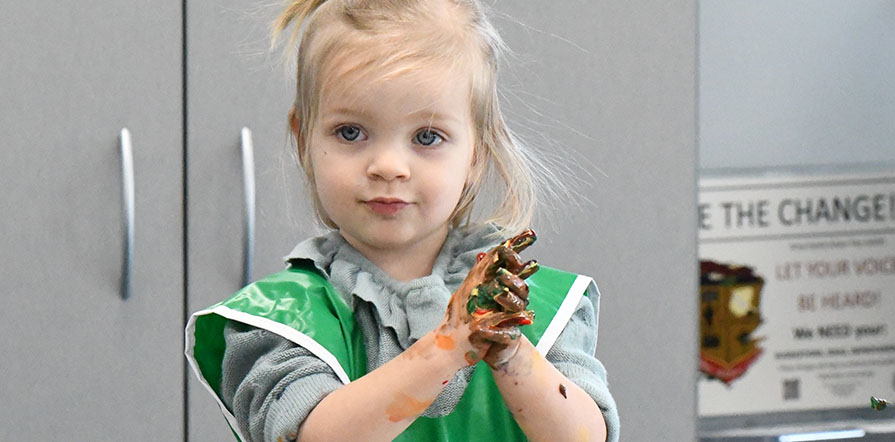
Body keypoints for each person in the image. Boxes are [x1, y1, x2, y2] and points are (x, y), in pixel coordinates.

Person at [185, 0, 620, 441]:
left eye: (427, 137)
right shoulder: (281, 320)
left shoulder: (536, 307)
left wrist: (510, 356)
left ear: (476, 155)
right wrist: (448, 345)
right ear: (303, 140)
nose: (389, 166)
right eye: (351, 132)